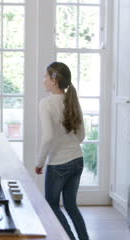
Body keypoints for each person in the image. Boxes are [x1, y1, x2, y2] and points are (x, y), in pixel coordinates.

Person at [35, 62, 89, 240]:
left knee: (52, 205)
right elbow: (81, 135)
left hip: (59, 163)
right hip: (77, 160)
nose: (44, 80)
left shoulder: (46, 103)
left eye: (46, 77)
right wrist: (69, 144)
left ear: (54, 80)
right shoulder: (72, 100)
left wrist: (39, 163)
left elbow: (48, 137)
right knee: (71, 206)